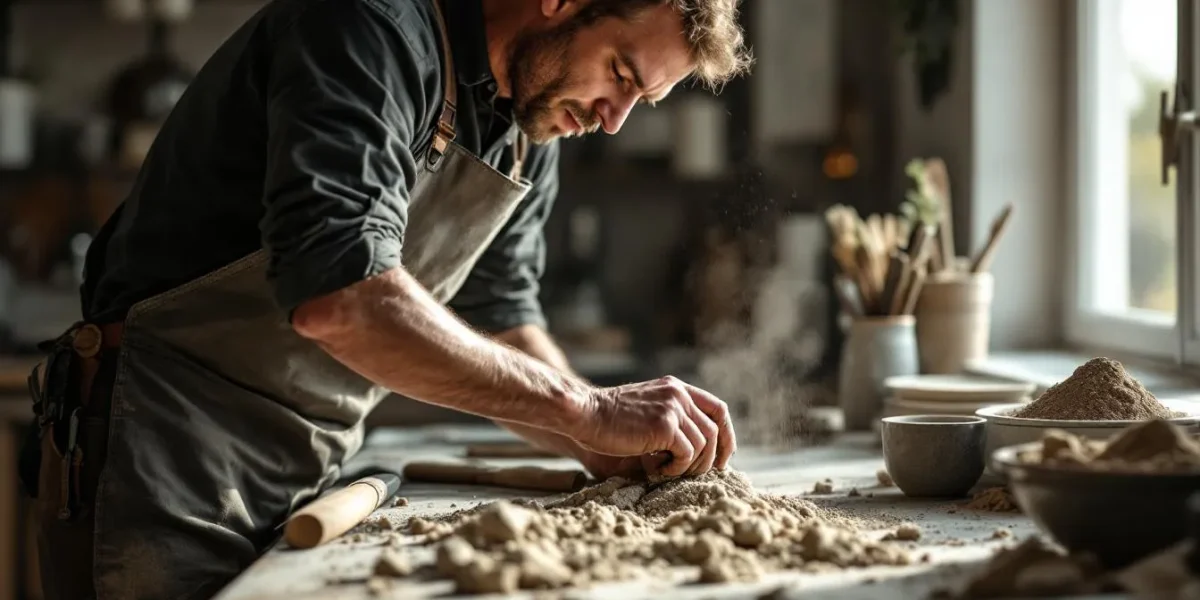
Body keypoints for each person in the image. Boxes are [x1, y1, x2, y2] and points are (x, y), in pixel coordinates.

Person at [20, 0, 752, 598]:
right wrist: (588, 410)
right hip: (159, 445)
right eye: (620, 74)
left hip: (310, 465)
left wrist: (600, 449)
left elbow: (502, 322)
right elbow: (340, 296)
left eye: (643, 98)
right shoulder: (367, 27)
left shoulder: (530, 128)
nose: (613, 118)